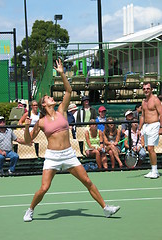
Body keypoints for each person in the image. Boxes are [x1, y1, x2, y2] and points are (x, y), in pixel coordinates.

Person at [23, 59, 120, 222]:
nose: (50, 97)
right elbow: (28, 140)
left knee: (87, 181)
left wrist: (61, 73)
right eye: (47, 98)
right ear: (44, 104)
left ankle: (105, 208)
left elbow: (68, 91)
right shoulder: (41, 122)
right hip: (52, 156)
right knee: (44, 187)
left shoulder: (61, 110)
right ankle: (30, 210)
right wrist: (26, 127)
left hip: (69, 154)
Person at [139, 82, 162, 179]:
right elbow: (143, 116)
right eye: (144, 89)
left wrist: (161, 127)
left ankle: (155, 171)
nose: (146, 90)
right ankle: (153, 170)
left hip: (155, 125)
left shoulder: (156, 100)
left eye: (148, 88)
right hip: (146, 127)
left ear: (151, 89)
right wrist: (140, 128)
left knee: (150, 149)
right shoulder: (143, 102)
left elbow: (161, 114)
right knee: (149, 149)